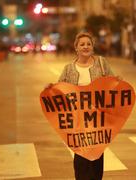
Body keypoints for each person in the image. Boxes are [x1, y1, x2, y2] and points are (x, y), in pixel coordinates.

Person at [47, 32, 115, 180]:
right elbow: (61, 89)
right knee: (81, 156)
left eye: (88, 44)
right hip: (77, 120)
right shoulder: (69, 68)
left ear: (93, 47)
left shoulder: (102, 64)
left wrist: (118, 82)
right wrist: (51, 88)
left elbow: (112, 84)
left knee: (97, 154)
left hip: (97, 119)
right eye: (82, 44)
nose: (86, 47)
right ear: (76, 48)